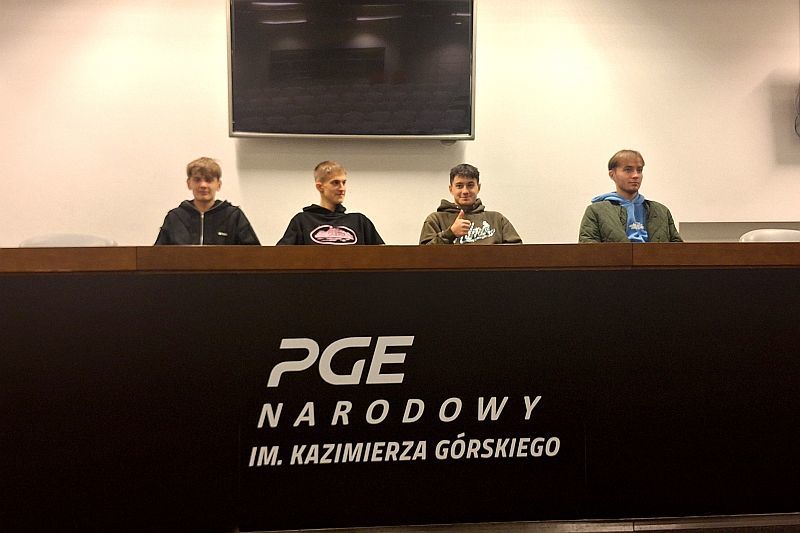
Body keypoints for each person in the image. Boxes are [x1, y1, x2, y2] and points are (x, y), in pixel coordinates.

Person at [579, 150, 682, 243]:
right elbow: (588, 250)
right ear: (612, 174)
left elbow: (678, 249)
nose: (635, 175)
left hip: (654, 258)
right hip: (617, 258)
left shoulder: (661, 211)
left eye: (639, 170)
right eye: (628, 170)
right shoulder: (597, 211)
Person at [155, 157, 260, 245]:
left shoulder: (234, 216)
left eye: (209, 180)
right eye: (197, 180)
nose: (203, 185)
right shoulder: (175, 217)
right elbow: (157, 256)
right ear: (189, 183)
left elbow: (254, 255)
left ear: (218, 185)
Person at [277, 161, 384, 245]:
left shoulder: (360, 222)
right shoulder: (302, 221)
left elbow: (384, 256)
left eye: (344, 182)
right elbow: (280, 256)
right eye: (335, 183)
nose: (342, 188)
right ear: (320, 187)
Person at [419, 163, 522, 245]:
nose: (465, 191)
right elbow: (423, 255)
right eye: (459, 186)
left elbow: (518, 252)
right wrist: (450, 233)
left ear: (478, 187)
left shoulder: (497, 219)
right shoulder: (436, 220)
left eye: (470, 185)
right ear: (451, 189)